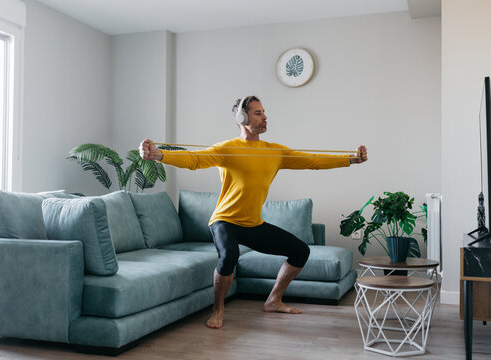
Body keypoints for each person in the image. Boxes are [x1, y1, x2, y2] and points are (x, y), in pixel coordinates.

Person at [139, 95, 368, 329]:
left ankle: (273, 300)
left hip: (252, 224)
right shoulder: (227, 149)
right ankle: (218, 310)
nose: (265, 116)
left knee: (300, 251)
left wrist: (350, 159)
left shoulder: (274, 152)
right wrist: (159, 155)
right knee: (229, 255)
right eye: (258, 113)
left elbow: (312, 160)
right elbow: (195, 159)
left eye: (264, 112)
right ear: (242, 117)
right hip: (224, 221)